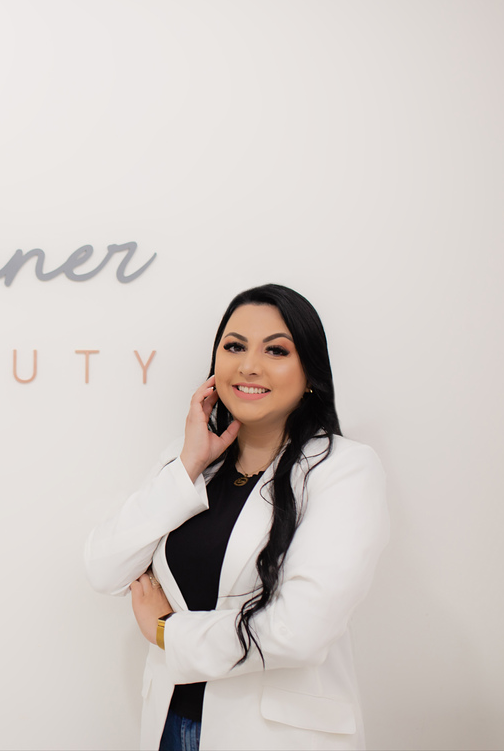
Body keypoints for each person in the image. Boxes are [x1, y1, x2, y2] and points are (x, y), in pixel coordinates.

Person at [85, 284, 389, 751]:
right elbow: (105, 569)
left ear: (310, 372)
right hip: (170, 724)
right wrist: (188, 464)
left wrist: (168, 631)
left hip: (275, 738)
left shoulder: (343, 468)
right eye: (234, 347)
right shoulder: (189, 462)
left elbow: (299, 631)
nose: (249, 365)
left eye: (276, 350)